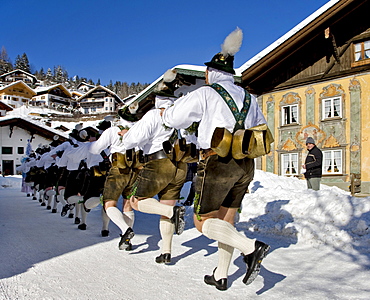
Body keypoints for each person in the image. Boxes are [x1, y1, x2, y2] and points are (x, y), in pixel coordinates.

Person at [161, 27, 270, 290]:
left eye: (207, 73)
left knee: (204, 222)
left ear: (210, 73)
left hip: (217, 162)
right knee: (227, 219)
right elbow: (262, 130)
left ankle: (250, 248)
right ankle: (221, 275)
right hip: (245, 163)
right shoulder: (249, 98)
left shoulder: (207, 93)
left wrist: (166, 113)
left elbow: (174, 119)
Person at [124, 70, 187, 264]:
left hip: (159, 163)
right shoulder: (182, 117)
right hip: (181, 165)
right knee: (165, 206)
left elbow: (132, 141)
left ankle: (173, 214)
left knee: (135, 200)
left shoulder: (153, 115)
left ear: (157, 100)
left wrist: (128, 133)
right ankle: (166, 252)